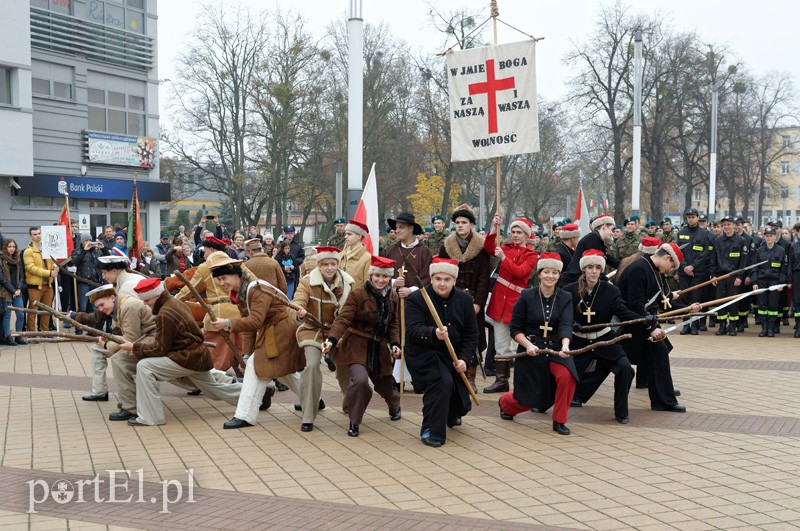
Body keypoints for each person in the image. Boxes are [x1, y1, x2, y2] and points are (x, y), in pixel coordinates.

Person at [117, 278, 242, 426]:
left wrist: (134, 347)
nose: (145, 303)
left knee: (144, 367)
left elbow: (159, 349)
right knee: (215, 390)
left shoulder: (165, 313)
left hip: (187, 357)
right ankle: (257, 395)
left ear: (156, 295)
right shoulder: (174, 303)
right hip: (195, 356)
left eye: (147, 299)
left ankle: (150, 417)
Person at [206, 258, 304, 429]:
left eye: (225, 278)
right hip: (274, 330)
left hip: (282, 330)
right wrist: (245, 354)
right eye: (219, 280)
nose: (222, 283)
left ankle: (244, 415)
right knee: (282, 371)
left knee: (255, 367)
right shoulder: (241, 293)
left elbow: (255, 321)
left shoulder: (257, 289)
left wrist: (228, 323)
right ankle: (313, 399)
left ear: (237, 276)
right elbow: (249, 327)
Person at [322, 255, 402, 437]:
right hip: (356, 345)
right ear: (371, 275)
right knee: (360, 382)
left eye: (385, 277)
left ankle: (394, 406)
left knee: (386, 387)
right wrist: (332, 339)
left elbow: (393, 324)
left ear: (390, 278)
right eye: (377, 276)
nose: (381, 280)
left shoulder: (393, 296)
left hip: (379, 347)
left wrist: (395, 343)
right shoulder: (358, 294)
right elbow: (343, 319)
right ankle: (354, 421)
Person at [498, 253, 576, 435]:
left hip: (556, 348)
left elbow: (566, 324)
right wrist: (528, 345)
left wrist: (565, 345)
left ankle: (559, 420)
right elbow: (515, 329)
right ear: (539, 273)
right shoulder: (526, 296)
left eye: (555, 272)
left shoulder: (565, 297)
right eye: (547, 272)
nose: (551, 276)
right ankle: (505, 403)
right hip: (531, 348)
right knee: (528, 399)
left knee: (568, 377)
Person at [617, 243, 700, 412]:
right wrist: (650, 329)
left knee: (660, 352)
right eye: (672, 266)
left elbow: (664, 304)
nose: (671, 270)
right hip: (628, 323)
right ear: (666, 258)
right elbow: (634, 306)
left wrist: (688, 309)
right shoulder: (639, 269)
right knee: (659, 351)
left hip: (641, 320)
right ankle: (663, 399)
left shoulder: (654, 271)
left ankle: (662, 397)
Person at [405, 257, 477, 447]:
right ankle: (431, 429)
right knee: (441, 382)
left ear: (454, 280)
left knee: (462, 403)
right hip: (424, 353)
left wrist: (465, 359)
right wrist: (433, 333)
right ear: (431, 278)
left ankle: (452, 412)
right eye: (437, 279)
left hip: (453, 355)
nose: (442, 283)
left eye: (447, 279)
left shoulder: (465, 299)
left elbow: (471, 334)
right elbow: (412, 329)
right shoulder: (417, 298)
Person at [564, 250, 643, 423]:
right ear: (584, 269)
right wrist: (571, 324)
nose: (594, 271)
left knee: (625, 369)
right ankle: (542, 402)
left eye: (598, 267)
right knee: (564, 374)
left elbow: (623, 312)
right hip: (578, 340)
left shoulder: (610, 290)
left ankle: (621, 412)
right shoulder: (569, 290)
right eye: (590, 267)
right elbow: (563, 316)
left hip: (604, 339)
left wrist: (645, 320)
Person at [293, 247, 355, 432]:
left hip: (339, 332)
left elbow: (353, 310)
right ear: (319, 266)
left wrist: (344, 334)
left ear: (338, 264)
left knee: (346, 366)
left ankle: (349, 403)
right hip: (313, 330)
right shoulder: (307, 282)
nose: (329, 268)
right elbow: (298, 300)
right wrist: (299, 310)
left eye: (333, 264)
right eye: (325, 264)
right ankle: (308, 415)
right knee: (311, 366)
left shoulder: (349, 283)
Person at [72, 284, 155, 410]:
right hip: (139, 337)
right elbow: (120, 331)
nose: (100, 309)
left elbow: (130, 338)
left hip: (151, 338)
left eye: (101, 305)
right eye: (97, 307)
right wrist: (106, 340)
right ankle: (100, 392)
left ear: (112, 297)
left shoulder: (128, 306)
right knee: (97, 350)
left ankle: (129, 404)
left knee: (120, 360)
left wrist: (106, 344)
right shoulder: (116, 306)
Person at [436, 204, 490, 392]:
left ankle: (471, 375)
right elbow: (441, 271)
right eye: (457, 222)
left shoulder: (481, 247)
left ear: (472, 224)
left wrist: (478, 303)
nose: (460, 226)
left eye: (464, 222)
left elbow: (484, 277)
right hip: (453, 298)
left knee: (473, 337)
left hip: (474, 299)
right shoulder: (447, 246)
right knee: (453, 334)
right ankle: (452, 372)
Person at [482, 215, 538, 394]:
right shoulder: (505, 247)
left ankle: (526, 381)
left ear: (526, 235)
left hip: (517, 304)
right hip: (500, 302)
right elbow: (488, 247)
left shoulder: (531, 255)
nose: (515, 235)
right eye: (513, 232)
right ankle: (501, 381)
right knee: (501, 344)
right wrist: (493, 227)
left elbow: (520, 273)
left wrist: (504, 259)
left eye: (519, 232)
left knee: (521, 343)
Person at [175, 236, 243, 371]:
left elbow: (189, 289)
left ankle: (203, 381)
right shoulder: (236, 263)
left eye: (205, 251)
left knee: (214, 357)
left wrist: (172, 301)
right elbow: (254, 281)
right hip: (241, 313)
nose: (204, 255)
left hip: (218, 315)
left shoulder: (205, 267)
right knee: (241, 351)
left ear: (212, 250)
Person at [709, 216, 749, 336]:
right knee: (720, 301)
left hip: (734, 276)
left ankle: (732, 326)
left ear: (733, 225)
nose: (727, 227)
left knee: (733, 302)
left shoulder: (741, 241)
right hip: (721, 276)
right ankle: (722, 326)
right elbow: (713, 259)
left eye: (729, 224)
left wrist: (740, 277)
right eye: (724, 225)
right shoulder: (718, 241)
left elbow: (744, 261)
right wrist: (713, 275)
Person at [676, 208, 712, 335]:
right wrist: (685, 267)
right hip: (683, 272)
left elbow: (706, 253)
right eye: (689, 217)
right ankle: (686, 325)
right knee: (684, 298)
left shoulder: (704, 234)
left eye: (693, 217)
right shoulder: (681, 233)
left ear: (697, 218)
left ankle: (695, 325)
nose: (691, 219)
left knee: (696, 299)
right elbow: (678, 252)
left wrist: (693, 266)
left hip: (698, 272)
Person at [750, 226, 788, 337]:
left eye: (771, 236)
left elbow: (783, 269)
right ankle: (764, 329)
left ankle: (771, 329)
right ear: (764, 237)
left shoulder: (781, 251)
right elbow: (754, 268)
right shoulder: (759, 250)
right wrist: (755, 282)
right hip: (761, 281)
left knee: (773, 305)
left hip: (775, 282)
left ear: (775, 236)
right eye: (766, 236)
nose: (769, 238)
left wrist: (781, 283)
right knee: (762, 306)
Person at [562, 215, 620, 285]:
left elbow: (607, 258)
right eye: (612, 229)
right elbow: (593, 263)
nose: (612, 233)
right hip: (575, 280)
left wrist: (624, 264)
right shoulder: (593, 238)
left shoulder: (596, 239)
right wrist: (607, 281)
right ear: (604, 226)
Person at [23, 227, 57, 333]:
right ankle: (32, 333)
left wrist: (55, 268)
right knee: (33, 311)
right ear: (30, 236)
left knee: (47, 311)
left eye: (39, 233)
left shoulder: (47, 249)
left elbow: (52, 263)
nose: (38, 236)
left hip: (49, 285)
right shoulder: (28, 251)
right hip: (35, 286)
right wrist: (49, 273)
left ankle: (44, 332)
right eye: (35, 234)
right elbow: (31, 268)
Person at [0, 239, 27, 345]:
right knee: (7, 316)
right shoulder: (1, 259)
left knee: (20, 315)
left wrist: (19, 289)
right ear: (5, 248)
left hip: (17, 292)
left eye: (13, 247)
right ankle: (8, 337)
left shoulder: (17, 259)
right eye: (9, 247)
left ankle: (18, 336)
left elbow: (22, 276)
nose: (12, 249)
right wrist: (13, 290)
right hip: (6, 291)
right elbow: (1, 278)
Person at [339, 220, 372, 286]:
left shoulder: (367, 258)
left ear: (359, 236)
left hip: (356, 295)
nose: (345, 236)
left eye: (349, 234)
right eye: (346, 234)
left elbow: (368, 285)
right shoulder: (340, 255)